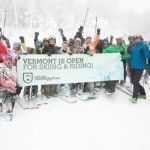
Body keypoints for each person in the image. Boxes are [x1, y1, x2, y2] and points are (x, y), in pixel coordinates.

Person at [126, 35, 150, 103]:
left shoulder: (144, 46)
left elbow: (147, 56)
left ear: (141, 39)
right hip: (133, 66)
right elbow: (131, 57)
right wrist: (125, 59)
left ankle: (134, 97)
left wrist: (144, 52)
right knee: (133, 81)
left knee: (135, 82)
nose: (137, 40)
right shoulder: (134, 48)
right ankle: (143, 94)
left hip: (140, 67)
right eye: (136, 39)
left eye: (138, 39)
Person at [0, 54, 18, 121]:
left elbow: (12, 79)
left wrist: (13, 84)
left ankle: (10, 110)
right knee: (5, 93)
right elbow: (3, 81)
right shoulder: (2, 68)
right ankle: (7, 110)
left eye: (10, 60)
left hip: (9, 85)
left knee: (12, 96)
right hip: (4, 86)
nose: (8, 62)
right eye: (7, 60)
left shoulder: (13, 68)